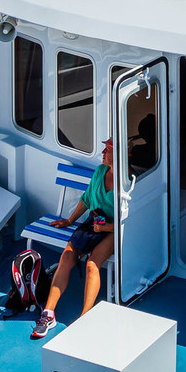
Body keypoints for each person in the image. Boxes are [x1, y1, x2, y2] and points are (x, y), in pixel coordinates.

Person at [33, 136, 115, 340]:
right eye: (105, 148)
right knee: (67, 257)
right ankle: (48, 313)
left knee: (92, 264)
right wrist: (69, 220)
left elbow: (129, 221)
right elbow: (87, 200)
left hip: (114, 230)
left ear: (122, 154)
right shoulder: (100, 171)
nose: (103, 153)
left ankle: (85, 316)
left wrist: (105, 228)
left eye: (108, 149)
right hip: (94, 222)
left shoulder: (129, 182)